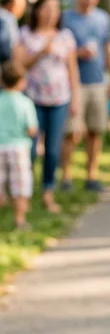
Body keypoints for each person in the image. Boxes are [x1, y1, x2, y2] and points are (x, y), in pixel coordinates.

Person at [19, 0, 80, 214]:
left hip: (59, 100)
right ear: (37, 10)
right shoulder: (26, 34)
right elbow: (19, 65)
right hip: (32, 99)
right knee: (31, 149)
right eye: (46, 8)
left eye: (55, 9)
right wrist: (41, 51)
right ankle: (23, 191)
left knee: (53, 150)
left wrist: (76, 103)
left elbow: (73, 72)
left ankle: (47, 191)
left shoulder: (65, 36)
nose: (50, 13)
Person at [60, 0, 110, 192]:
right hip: (74, 84)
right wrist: (78, 53)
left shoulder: (103, 18)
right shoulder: (66, 18)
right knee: (72, 132)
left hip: (98, 82)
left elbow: (107, 49)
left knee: (95, 130)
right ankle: (66, 177)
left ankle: (91, 176)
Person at [0, 62, 38, 228]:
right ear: (21, 81)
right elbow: (31, 129)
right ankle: (20, 219)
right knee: (20, 184)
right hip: (18, 147)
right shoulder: (25, 103)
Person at [0, 0, 27, 65]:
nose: (22, 10)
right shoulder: (7, 18)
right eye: (20, 6)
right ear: (11, 3)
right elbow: (10, 44)